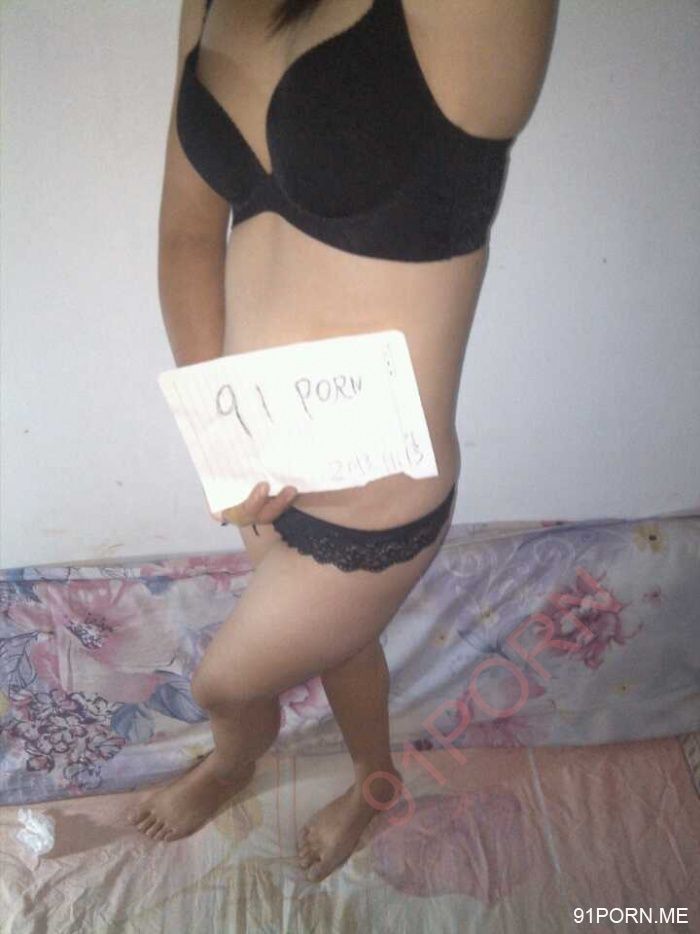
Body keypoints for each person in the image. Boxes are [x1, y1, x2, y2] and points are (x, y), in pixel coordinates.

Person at [126, 0, 558, 883]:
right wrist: (225, 442)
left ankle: (235, 758)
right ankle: (375, 782)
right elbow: (187, 236)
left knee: (223, 685)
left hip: (376, 505)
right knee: (344, 647)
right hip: (260, 469)